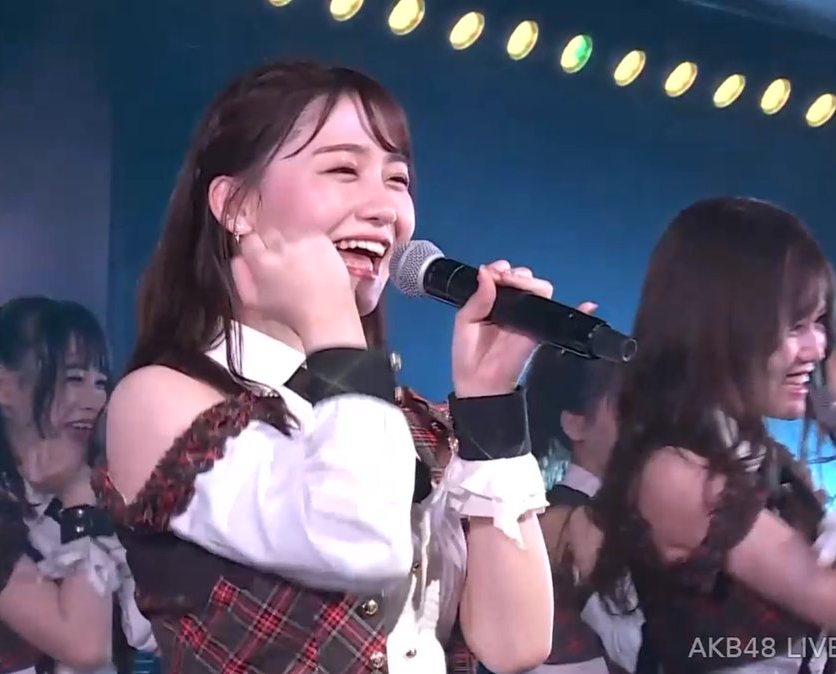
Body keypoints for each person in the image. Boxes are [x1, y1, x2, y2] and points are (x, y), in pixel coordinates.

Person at [100, 60, 562, 674]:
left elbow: (516, 644)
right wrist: (334, 327)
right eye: (343, 170)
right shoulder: (162, 400)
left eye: (397, 179)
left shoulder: (400, 421)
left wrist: (489, 402)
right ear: (236, 205)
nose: (385, 208)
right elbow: (357, 541)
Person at [566, 197, 836, 674]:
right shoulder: (676, 474)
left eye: (819, 323)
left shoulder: (766, 464)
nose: (817, 347)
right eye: (795, 326)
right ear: (721, 328)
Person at [0, 297, 154, 674]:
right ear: (5, 387)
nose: (95, 399)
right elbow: (85, 648)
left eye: (100, 382)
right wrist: (77, 496)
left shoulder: (106, 496)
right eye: (74, 378)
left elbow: (157, 631)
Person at [520, 345, 633, 674]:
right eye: (627, 407)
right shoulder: (571, 523)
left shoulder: (559, 514)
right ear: (575, 423)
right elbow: (641, 647)